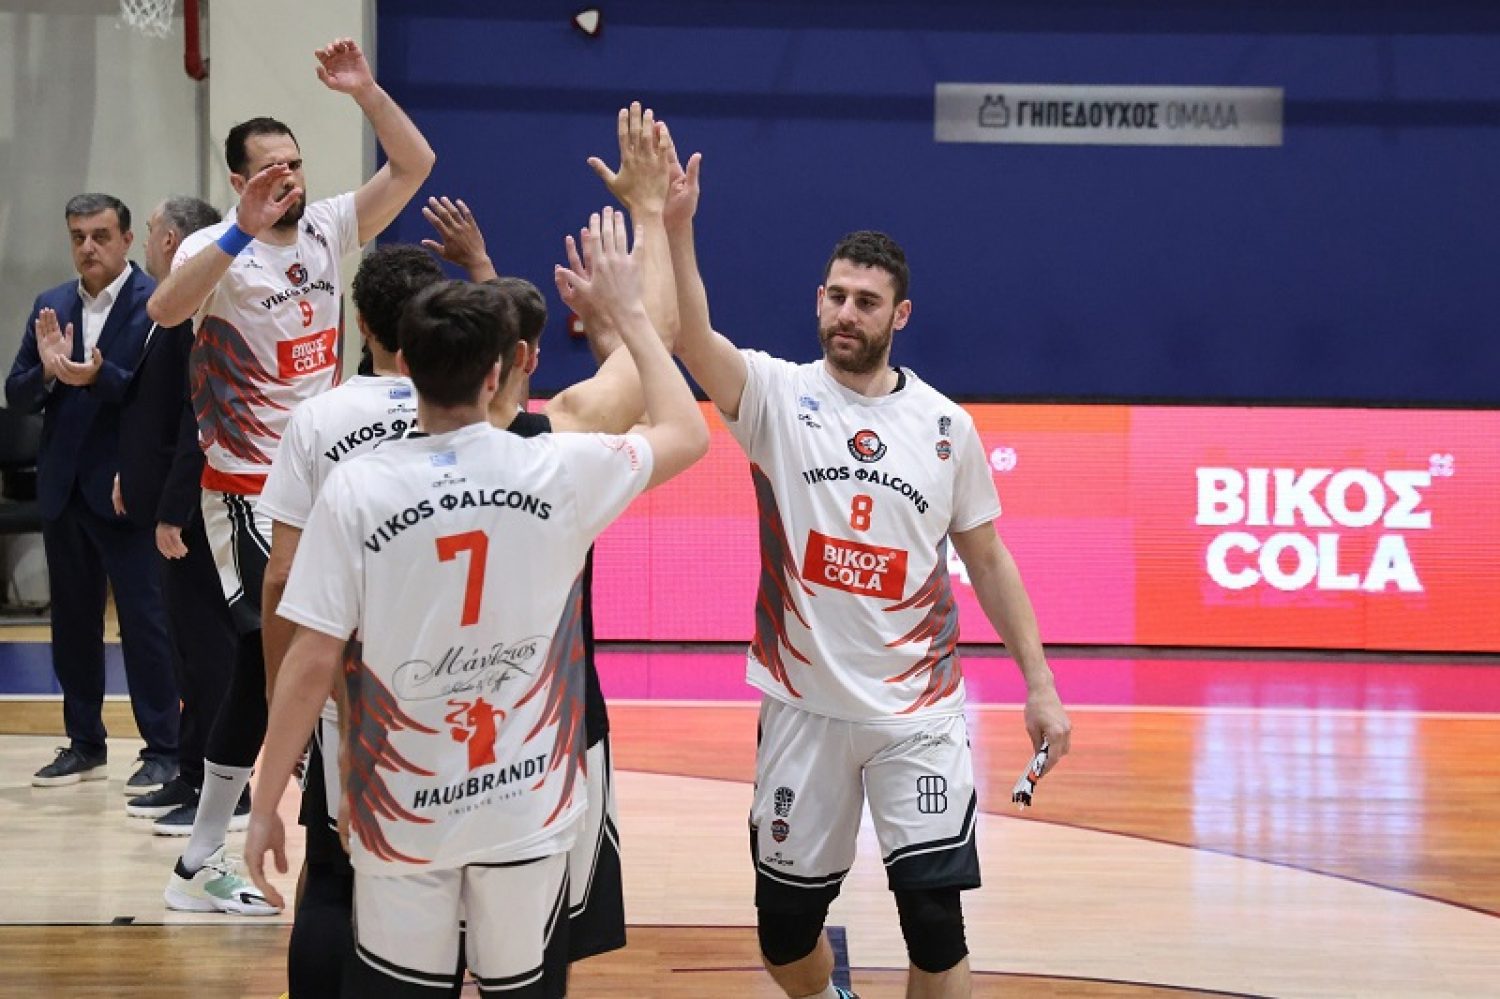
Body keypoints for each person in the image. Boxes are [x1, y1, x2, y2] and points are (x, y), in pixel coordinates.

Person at [245, 210, 708, 997]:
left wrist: (263, 801)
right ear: (498, 374)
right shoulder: (557, 464)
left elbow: (310, 655)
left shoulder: (356, 488)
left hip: (402, 801)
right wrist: (630, 313)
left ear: (402, 367)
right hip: (524, 799)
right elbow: (686, 431)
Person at [657, 132, 1073, 999]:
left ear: (899, 316)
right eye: (837, 296)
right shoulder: (776, 397)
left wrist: (1041, 685)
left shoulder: (947, 427)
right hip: (803, 708)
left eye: (867, 302)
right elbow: (692, 338)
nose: (848, 313)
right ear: (819, 300)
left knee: (936, 925)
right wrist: (677, 227)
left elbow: (989, 558)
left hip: (917, 712)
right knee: (784, 935)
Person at [148, 36, 435, 915]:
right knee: (266, 651)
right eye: (270, 169)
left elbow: (415, 164)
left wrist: (367, 92)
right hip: (245, 492)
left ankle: (211, 857)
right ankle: (239, 847)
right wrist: (239, 226)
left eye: (296, 165)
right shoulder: (215, 246)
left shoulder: (326, 228)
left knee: (272, 664)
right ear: (239, 180)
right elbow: (164, 308)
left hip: (329, 484)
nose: (289, 180)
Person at [257, 243, 443, 998]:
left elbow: (280, 575)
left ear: (360, 321)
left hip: (346, 688)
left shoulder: (318, 418)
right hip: (450, 689)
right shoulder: (476, 417)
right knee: (439, 887)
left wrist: (284, 705)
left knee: (333, 874)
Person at [5, 193, 180, 795]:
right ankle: (84, 743)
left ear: (127, 239)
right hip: (63, 488)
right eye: (78, 236)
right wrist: (48, 372)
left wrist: (98, 376)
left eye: (101, 236)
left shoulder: (158, 301)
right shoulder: (51, 304)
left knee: (145, 624)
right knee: (73, 626)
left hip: (127, 489)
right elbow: (17, 393)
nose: (88, 247)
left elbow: (159, 394)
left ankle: (164, 749)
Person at [116, 196, 242, 832]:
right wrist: (131, 477)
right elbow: (155, 412)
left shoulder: (197, 309)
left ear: (169, 239)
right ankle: (192, 774)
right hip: (167, 504)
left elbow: (199, 420)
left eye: (149, 232)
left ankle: (229, 792)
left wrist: (173, 509)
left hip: (194, 511)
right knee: (188, 655)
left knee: (210, 654)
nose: (145, 243)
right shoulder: (171, 304)